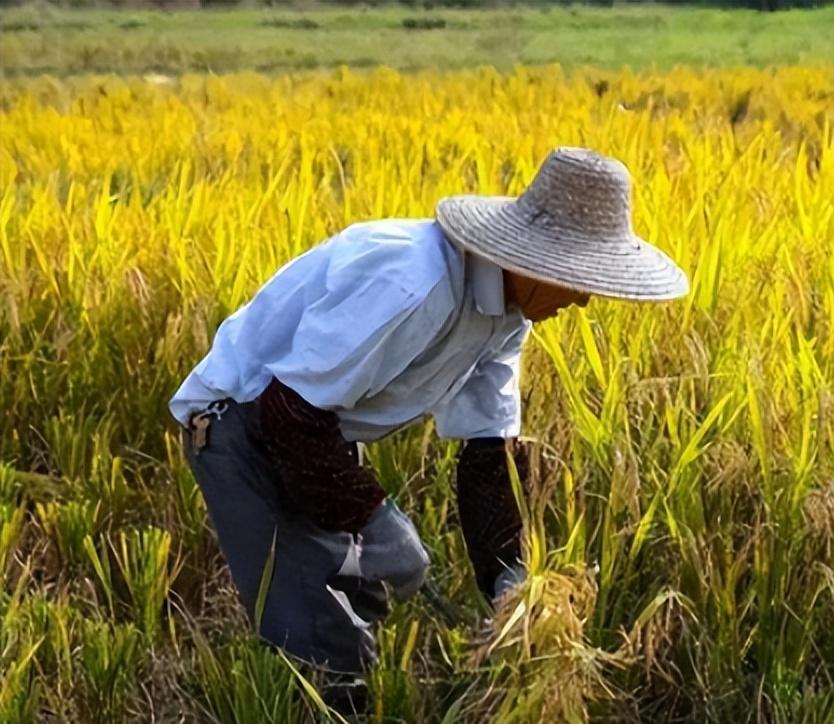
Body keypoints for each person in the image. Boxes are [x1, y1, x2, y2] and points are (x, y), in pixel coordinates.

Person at [169, 147, 688, 714]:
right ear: (536, 260)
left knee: (356, 598)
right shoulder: (411, 282)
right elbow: (287, 413)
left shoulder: (507, 312)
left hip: (316, 434)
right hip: (244, 426)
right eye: (577, 279)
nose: (584, 299)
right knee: (319, 632)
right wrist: (377, 519)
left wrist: (508, 582)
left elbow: (488, 449)